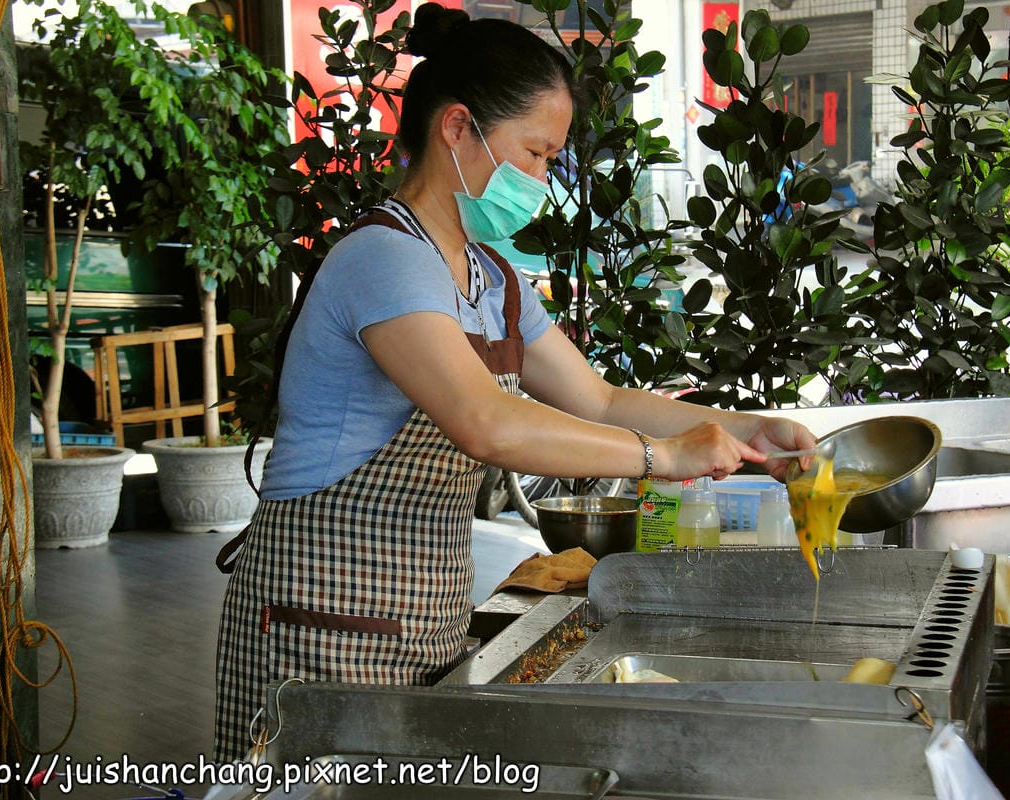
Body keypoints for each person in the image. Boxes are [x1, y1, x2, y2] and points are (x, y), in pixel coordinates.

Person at [213, 3, 817, 762]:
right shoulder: (383, 259)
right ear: (458, 128)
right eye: (534, 154)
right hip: (317, 623)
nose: (540, 180)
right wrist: (661, 459)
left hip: (419, 622)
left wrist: (743, 428)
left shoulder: (491, 276)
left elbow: (596, 398)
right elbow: (485, 421)